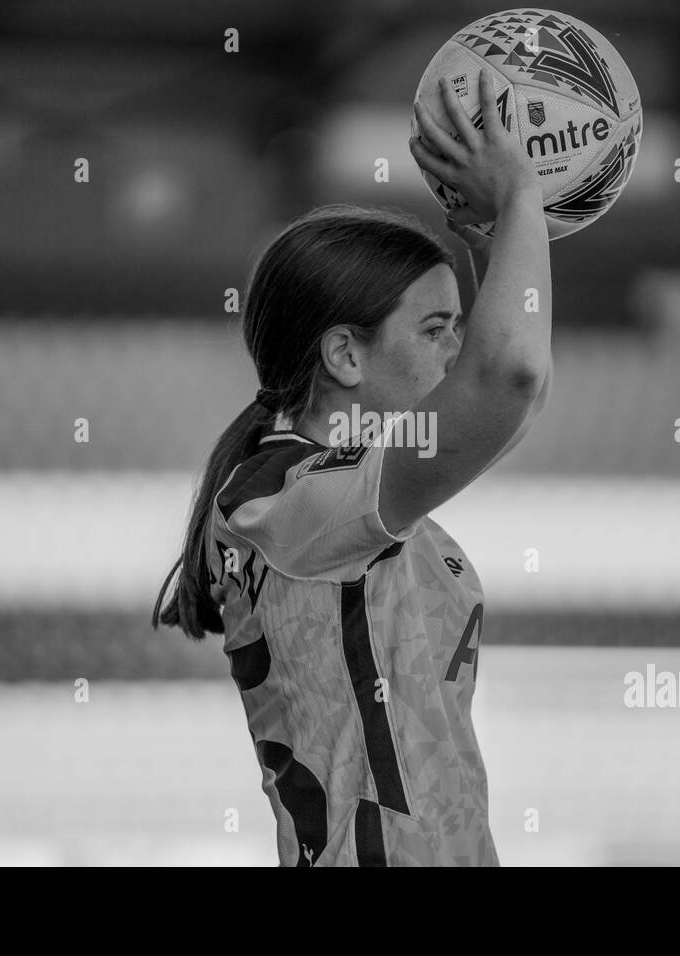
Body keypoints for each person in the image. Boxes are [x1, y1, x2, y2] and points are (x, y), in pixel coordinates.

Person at [153, 69, 552, 865]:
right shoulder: (285, 496)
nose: (456, 351)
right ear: (343, 353)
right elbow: (508, 378)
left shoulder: (342, 487)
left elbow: (514, 399)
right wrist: (518, 202)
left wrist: (490, 240)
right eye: (436, 329)